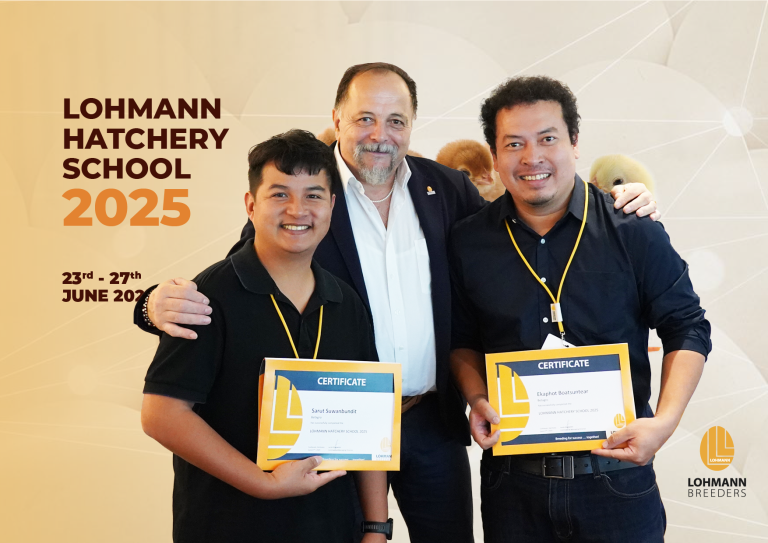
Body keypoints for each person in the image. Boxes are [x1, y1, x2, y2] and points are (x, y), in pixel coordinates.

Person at [134, 63, 659, 542]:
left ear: (411, 126)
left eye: (395, 121)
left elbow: (524, 222)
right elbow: (241, 279)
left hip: (431, 420)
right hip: (337, 423)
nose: (379, 135)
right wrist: (149, 306)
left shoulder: (447, 190)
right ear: (337, 120)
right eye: (365, 118)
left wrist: (618, 199)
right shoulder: (308, 193)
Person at [448, 76, 711, 542]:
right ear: (495, 155)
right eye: (514, 144)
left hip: (616, 480)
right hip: (513, 488)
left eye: (547, 138)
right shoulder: (469, 241)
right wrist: (476, 397)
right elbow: (461, 339)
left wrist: (665, 423)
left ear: (573, 142)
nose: (532, 157)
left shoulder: (632, 228)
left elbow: (687, 325)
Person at [141, 129, 388, 543]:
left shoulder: (345, 302)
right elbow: (161, 414)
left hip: (332, 526)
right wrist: (266, 483)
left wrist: (377, 527)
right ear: (251, 205)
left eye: (313, 195)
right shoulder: (208, 296)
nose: (297, 209)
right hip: (228, 525)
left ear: (331, 205)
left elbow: (371, 421)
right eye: (279, 194)